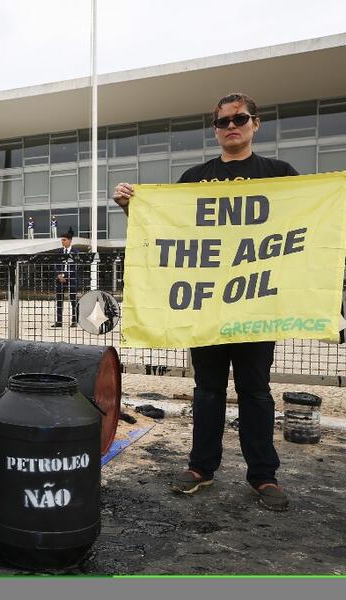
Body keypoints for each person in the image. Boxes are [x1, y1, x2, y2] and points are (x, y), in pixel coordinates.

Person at [113, 92, 298, 512]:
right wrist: (133, 209)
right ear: (214, 129)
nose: (231, 126)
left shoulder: (280, 174)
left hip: (256, 307)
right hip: (206, 307)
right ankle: (201, 468)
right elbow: (169, 231)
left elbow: (298, 230)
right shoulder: (195, 178)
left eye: (240, 118)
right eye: (223, 121)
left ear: (256, 124)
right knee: (208, 391)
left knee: (256, 392)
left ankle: (264, 477)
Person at [51, 232, 79, 328]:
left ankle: (74, 321)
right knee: (59, 300)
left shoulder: (76, 252)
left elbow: (76, 267)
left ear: (70, 240)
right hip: (59, 280)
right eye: (61, 240)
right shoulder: (59, 252)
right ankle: (59, 321)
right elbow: (55, 265)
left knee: (73, 300)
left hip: (71, 279)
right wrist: (59, 275)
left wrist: (65, 276)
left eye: (64, 240)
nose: (62, 242)